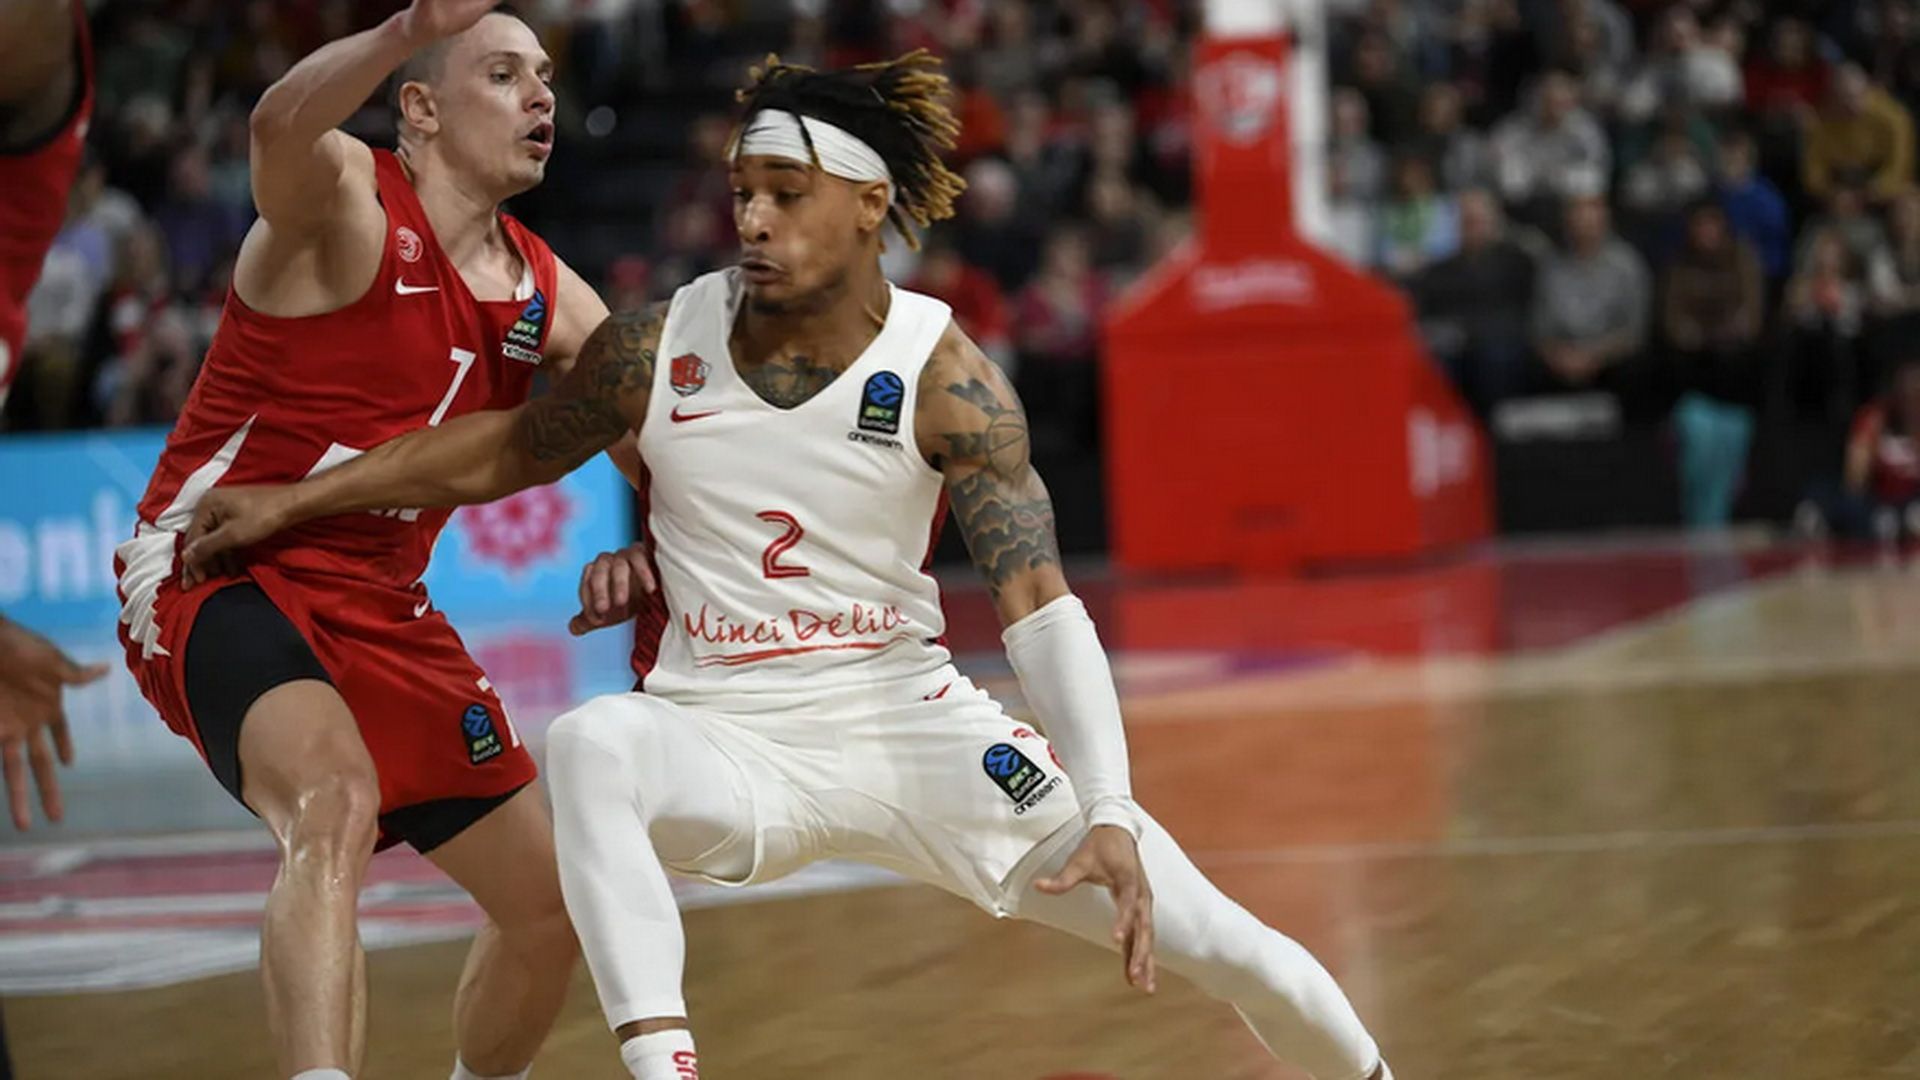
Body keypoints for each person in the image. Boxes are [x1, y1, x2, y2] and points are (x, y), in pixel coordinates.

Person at [176, 51, 1395, 1080]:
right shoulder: (661, 343)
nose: (753, 219)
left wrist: (1113, 808)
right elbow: (500, 451)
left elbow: (1040, 606)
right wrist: (301, 497)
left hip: (909, 723)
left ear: (868, 207)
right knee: (594, 744)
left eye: (787, 194)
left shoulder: (945, 374)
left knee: (1230, 948)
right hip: (728, 735)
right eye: (743, 192)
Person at [110, 4, 624, 1078]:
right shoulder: (347, 201)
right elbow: (275, 127)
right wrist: (404, 28)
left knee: (554, 903)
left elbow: (648, 413)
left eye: (543, 74)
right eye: (502, 74)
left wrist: (654, 541)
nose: (540, 94)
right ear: (421, 109)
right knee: (332, 799)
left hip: (382, 600)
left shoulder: (540, 285)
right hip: (219, 566)